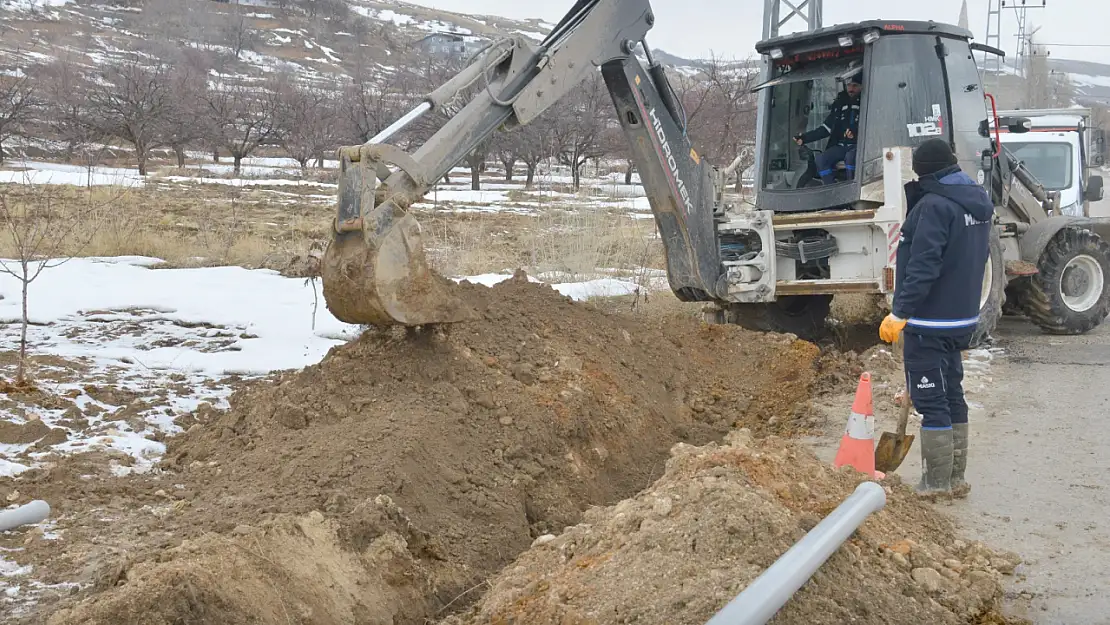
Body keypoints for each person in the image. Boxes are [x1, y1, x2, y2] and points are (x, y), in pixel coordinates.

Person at [878, 138, 994, 499]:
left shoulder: (933, 206)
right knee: (953, 394)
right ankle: (956, 478)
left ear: (923, 171)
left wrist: (900, 312)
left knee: (931, 401)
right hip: (961, 318)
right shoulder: (976, 201)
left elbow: (923, 267)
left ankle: (936, 483)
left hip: (929, 322)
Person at [794, 73, 862, 185]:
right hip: (841, 146)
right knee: (821, 159)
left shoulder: (867, 103)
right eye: (849, 85)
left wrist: (856, 133)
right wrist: (805, 138)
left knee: (851, 158)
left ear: (862, 86)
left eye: (855, 85)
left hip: (860, 147)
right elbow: (826, 129)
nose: (851, 89)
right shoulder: (839, 105)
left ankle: (852, 188)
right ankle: (830, 188)